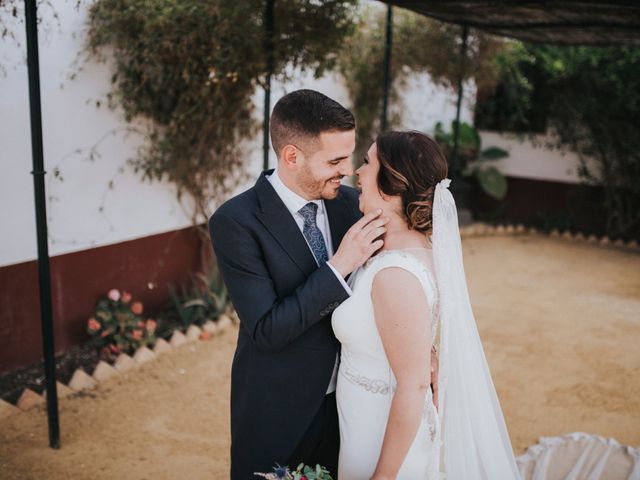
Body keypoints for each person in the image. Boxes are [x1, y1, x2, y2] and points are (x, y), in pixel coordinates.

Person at [209, 89, 403, 478]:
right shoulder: (236, 222)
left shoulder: (352, 205)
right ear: (291, 156)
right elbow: (266, 329)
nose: (347, 169)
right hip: (277, 412)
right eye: (334, 160)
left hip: (353, 408)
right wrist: (340, 265)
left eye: (349, 156)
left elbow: (402, 278)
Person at [332, 131, 521, 479]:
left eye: (367, 163)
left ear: (391, 187)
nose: (356, 174)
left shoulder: (395, 274)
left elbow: (415, 385)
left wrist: (383, 476)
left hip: (381, 439)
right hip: (363, 421)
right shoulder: (397, 248)